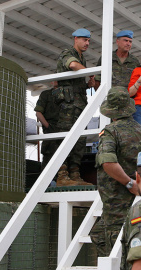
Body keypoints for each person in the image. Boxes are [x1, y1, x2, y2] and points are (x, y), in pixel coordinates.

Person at [91, 86, 141, 257]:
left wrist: (129, 183)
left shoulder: (111, 131)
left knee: (117, 253)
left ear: (111, 111)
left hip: (116, 203)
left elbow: (108, 163)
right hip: (139, 200)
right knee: (97, 234)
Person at [55, 28, 95, 185]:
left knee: (79, 141)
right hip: (67, 106)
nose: (87, 43)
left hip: (79, 105)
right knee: (65, 138)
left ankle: (75, 174)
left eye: (89, 40)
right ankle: (62, 175)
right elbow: (71, 65)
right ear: (76, 38)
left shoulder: (82, 58)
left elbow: (75, 85)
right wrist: (90, 71)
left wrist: (88, 84)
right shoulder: (68, 53)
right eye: (84, 40)